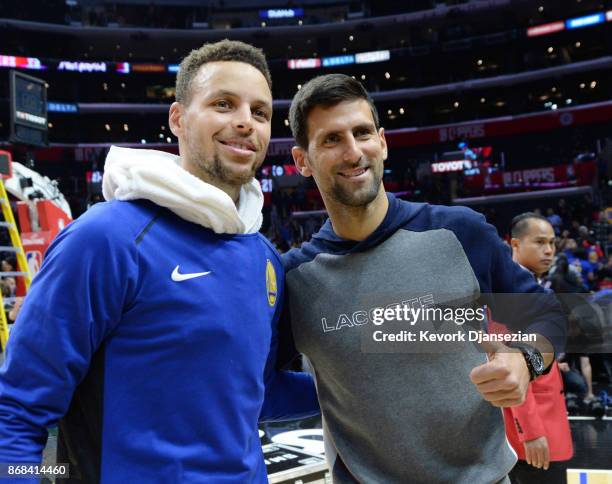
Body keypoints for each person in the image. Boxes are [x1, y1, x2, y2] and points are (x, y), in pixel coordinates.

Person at [0, 40, 317, 483]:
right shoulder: (105, 238)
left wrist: (352, 388)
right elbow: (17, 410)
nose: (245, 122)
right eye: (223, 104)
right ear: (178, 119)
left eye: (260, 112)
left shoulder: (262, 257)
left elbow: (251, 394)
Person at [282, 73, 566, 483]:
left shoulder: (460, 231)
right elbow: (253, 383)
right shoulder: (295, 278)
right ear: (302, 161)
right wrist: (335, 395)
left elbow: (550, 314)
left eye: (362, 133)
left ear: (382, 141)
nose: (353, 152)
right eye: (331, 139)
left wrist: (526, 359)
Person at [504, 213, 573, 483]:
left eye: (553, 243)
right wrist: (529, 432)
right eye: (540, 242)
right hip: (532, 437)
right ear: (515, 245)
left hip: (546, 428)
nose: (549, 250)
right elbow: (510, 366)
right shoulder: (508, 292)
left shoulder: (534, 286)